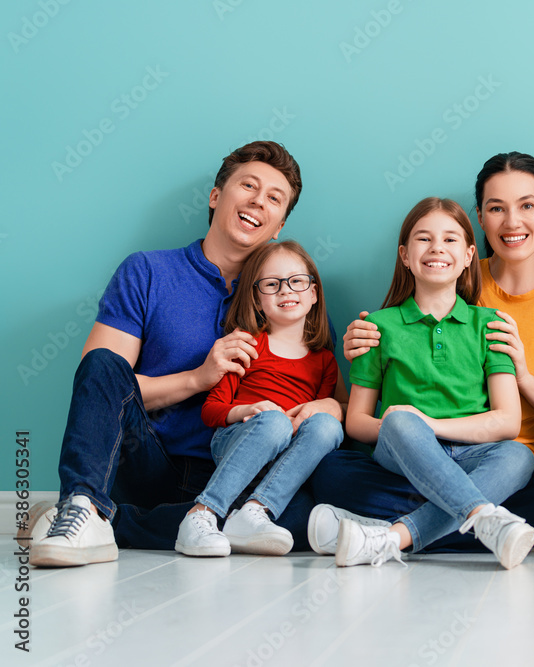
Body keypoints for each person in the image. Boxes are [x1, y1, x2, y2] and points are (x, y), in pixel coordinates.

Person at [28, 141, 343, 568]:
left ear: (278, 226)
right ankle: (85, 505)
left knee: (303, 516)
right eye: (247, 185)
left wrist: (331, 404)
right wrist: (198, 378)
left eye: (273, 198)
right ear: (216, 197)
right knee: (103, 362)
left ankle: (119, 524)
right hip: (149, 461)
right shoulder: (147, 272)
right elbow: (103, 387)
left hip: (237, 474)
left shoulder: (290, 301)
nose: (257, 201)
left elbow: (334, 405)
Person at [309, 152, 534, 555]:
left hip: (500, 461)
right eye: (496, 208)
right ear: (480, 219)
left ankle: (392, 533)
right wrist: (360, 348)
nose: (512, 222)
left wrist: (526, 379)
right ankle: (521, 527)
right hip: (410, 462)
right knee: (334, 469)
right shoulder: (448, 277)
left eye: (526, 205)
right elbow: (373, 408)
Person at [330, 197, 534, 570]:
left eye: (450, 240)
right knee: (395, 421)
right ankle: (486, 519)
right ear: (405, 255)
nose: (437, 248)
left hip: (470, 452)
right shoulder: (376, 326)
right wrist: (407, 428)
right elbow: (357, 422)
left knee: (519, 456)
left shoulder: (491, 324)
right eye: (424, 239)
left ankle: (392, 537)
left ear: (470, 255)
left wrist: (430, 425)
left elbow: (508, 421)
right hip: (400, 451)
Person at [175, 241, 343, 558]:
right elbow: (211, 411)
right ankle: (201, 514)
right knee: (275, 423)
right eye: (271, 284)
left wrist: (320, 412)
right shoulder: (247, 346)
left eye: (297, 281)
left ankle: (254, 512)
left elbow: (317, 422)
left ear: (314, 294)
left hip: (288, 451)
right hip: (239, 438)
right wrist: (248, 411)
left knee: (329, 427)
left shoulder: (324, 361)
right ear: (257, 298)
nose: (286, 291)